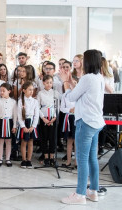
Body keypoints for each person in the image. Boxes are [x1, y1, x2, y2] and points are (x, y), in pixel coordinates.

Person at [60, 49, 105, 205]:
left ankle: (80, 195)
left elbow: (72, 97)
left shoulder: (87, 78)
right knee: (92, 158)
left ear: (88, 61)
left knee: (82, 159)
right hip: (96, 122)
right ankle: (93, 191)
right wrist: (72, 82)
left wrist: (66, 82)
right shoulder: (99, 77)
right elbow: (81, 92)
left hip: (85, 122)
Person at [37, 75, 60, 166]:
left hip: (53, 118)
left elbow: (57, 106)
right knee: (44, 138)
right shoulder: (40, 93)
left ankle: (52, 157)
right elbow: (37, 107)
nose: (49, 84)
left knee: (52, 138)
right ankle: (46, 157)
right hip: (44, 118)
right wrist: (43, 118)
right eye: (47, 82)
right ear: (43, 83)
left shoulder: (55, 93)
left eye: (50, 82)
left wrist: (54, 117)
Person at [0, 83, 17, 167]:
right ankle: (0, 158)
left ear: (9, 91)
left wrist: (14, 126)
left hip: (9, 122)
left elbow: (15, 115)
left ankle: (8, 159)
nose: (2, 92)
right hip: (1, 122)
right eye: (1, 91)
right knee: (0, 140)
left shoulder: (13, 102)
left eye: (4, 91)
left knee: (8, 141)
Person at [18, 81, 39, 169]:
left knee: (30, 142)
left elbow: (36, 114)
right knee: (24, 142)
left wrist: (33, 126)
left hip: (31, 123)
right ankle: (24, 160)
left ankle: (29, 160)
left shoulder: (35, 101)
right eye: (29, 90)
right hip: (24, 122)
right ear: (24, 90)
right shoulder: (20, 101)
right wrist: (23, 126)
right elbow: (19, 115)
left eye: (32, 90)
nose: (31, 91)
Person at [60, 77, 77, 168]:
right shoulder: (65, 95)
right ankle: (68, 161)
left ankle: (77, 162)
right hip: (68, 118)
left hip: (76, 118)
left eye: (74, 83)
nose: (72, 85)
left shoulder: (79, 95)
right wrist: (69, 109)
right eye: (70, 83)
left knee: (76, 141)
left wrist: (76, 109)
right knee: (69, 140)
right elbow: (62, 108)